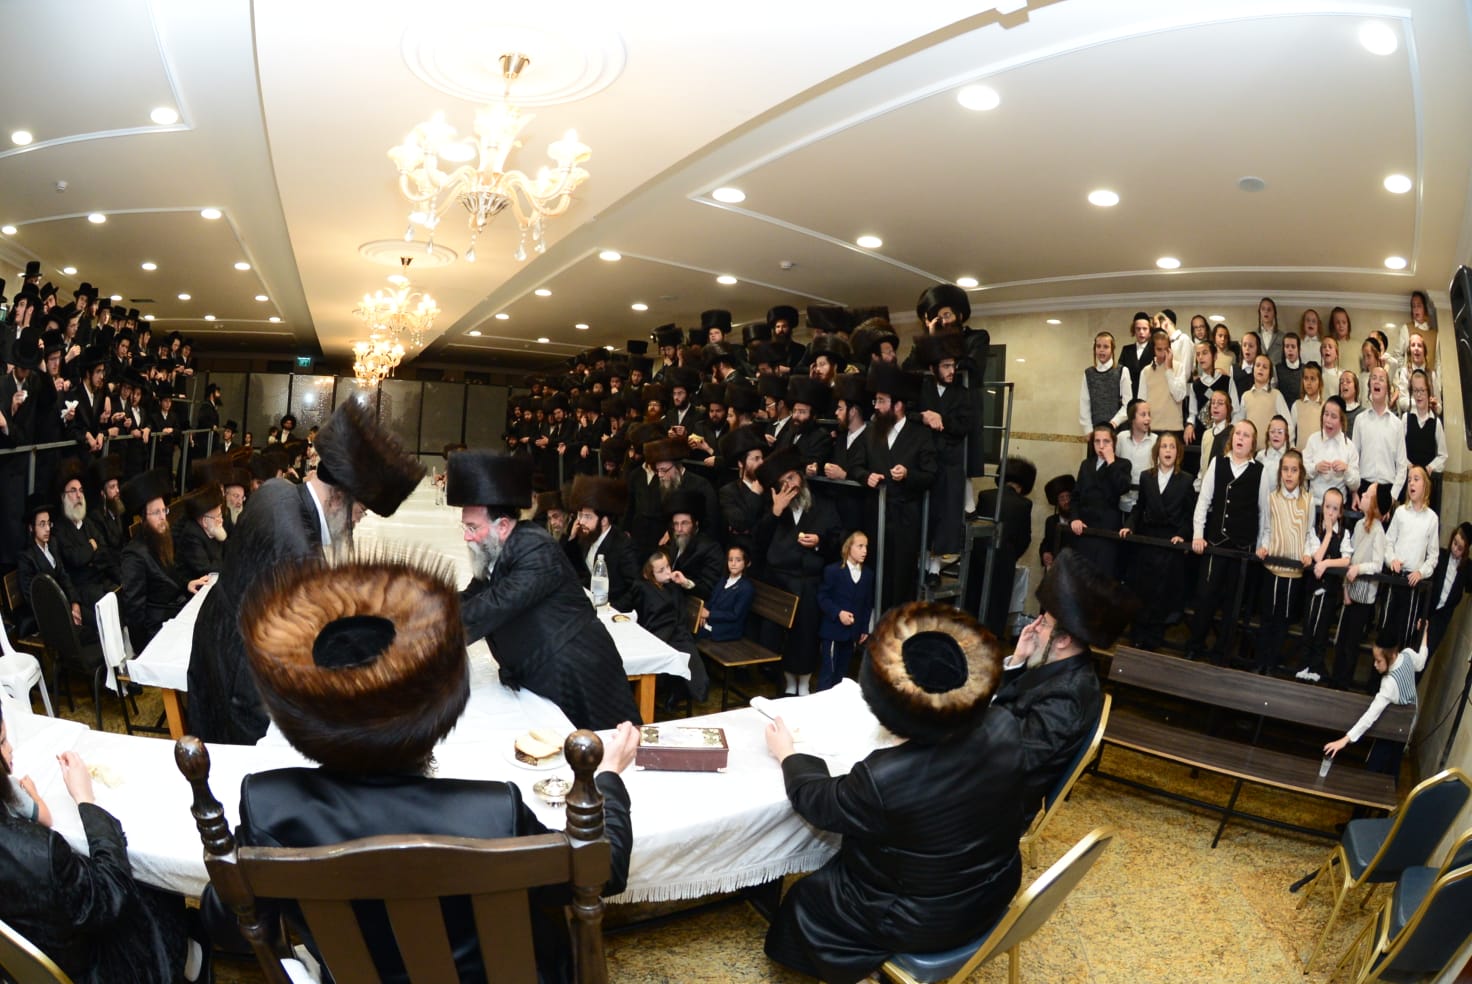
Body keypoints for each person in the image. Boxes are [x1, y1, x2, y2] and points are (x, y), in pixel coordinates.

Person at [202, 547, 639, 983]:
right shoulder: (492, 813)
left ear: (304, 715)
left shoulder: (270, 805)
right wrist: (607, 777)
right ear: (437, 712)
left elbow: (226, 921)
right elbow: (603, 870)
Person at [763, 601, 1022, 984]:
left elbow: (820, 803)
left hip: (922, 921)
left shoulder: (885, 777)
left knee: (807, 898)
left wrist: (789, 754)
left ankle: (858, 970)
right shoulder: (1004, 726)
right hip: (992, 894)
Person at [188, 399, 425, 745]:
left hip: (216, 640)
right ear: (339, 496)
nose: (358, 521)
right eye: (361, 510)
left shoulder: (278, 491)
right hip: (242, 684)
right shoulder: (299, 552)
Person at [0, 703, 193, 983]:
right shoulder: (42, 852)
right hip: (99, 969)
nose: (10, 749)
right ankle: (187, 959)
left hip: (27, 965)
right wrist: (86, 800)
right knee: (157, 886)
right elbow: (112, 892)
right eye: (3, 742)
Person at [450, 452, 643, 729]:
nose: (466, 536)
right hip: (542, 673)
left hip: (577, 673)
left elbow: (493, 606)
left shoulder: (536, 550)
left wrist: (425, 634)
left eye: (472, 527)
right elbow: (471, 596)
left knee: (610, 745)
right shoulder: (499, 549)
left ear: (502, 526)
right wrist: (423, 609)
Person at [995, 548, 1137, 827]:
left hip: (992, 808)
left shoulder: (1069, 695)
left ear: (1063, 640)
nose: (1033, 627)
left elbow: (1015, 759)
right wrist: (1018, 660)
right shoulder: (1060, 668)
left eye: (1044, 623)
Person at [755, 449, 842, 696]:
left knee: (806, 634)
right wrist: (776, 511)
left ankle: (803, 683)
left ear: (801, 476)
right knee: (779, 637)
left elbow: (838, 539)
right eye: (784, 482)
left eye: (792, 477)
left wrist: (819, 542)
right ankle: (786, 683)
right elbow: (758, 544)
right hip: (779, 581)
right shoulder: (771, 506)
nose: (791, 485)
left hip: (809, 581)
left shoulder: (823, 504)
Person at [1186, 420, 1271, 665]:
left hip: (1242, 549)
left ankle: (1221, 653)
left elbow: (1264, 513)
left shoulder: (1260, 471)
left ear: (1253, 443)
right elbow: (1203, 501)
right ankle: (1195, 646)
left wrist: (1262, 544)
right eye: (1237, 434)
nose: (1240, 438)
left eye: (1246, 435)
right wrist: (1198, 534)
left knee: (1233, 604)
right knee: (1205, 597)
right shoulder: (1217, 464)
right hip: (1215, 543)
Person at [856, 362, 936, 610]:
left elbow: (930, 475)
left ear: (898, 405)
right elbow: (856, 466)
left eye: (881, 401)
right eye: (876, 401)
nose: (876, 406)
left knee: (900, 579)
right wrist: (865, 476)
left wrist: (908, 475)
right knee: (874, 576)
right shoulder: (871, 432)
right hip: (875, 516)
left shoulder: (920, 434)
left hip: (905, 520)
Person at [1323, 622, 1428, 777]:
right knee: (1393, 766)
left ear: (1391, 655)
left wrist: (1345, 740)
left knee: (1376, 767)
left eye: (1378, 661)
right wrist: (1425, 632)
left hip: (1393, 728)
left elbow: (1370, 715)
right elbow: (1421, 661)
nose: (1375, 664)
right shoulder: (1408, 654)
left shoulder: (1389, 683)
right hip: (1408, 723)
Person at [1120, 432, 1193, 650]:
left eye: (1172, 447)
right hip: (1147, 542)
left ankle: (1153, 640)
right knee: (1141, 590)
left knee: (1162, 594)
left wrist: (1182, 534)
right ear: (1157, 452)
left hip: (1169, 544)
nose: (1168, 450)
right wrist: (1129, 525)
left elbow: (1189, 515)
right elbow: (1139, 507)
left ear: (1178, 453)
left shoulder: (1186, 480)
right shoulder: (1146, 477)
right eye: (1164, 446)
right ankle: (1136, 637)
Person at [1253, 449, 1312, 674]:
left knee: (1282, 620)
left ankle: (1272, 664)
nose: (1289, 474)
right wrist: (1264, 546)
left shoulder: (1308, 500)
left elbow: (1308, 533)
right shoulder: (1272, 498)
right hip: (1272, 567)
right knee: (1267, 617)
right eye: (1285, 469)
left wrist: (1307, 553)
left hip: (1293, 571)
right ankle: (1261, 661)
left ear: (1301, 473)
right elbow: (1267, 529)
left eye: (1294, 470)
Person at [628, 551, 709, 705]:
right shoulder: (642, 587)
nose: (667, 572)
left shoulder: (674, 585)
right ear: (650, 574)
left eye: (668, 567)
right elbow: (632, 606)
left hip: (678, 634)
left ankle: (678, 690)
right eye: (661, 570)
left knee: (696, 676)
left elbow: (703, 591)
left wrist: (684, 582)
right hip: (655, 633)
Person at [970, 456, 1036, 640]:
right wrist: (1010, 555)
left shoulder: (985, 495)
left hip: (977, 557)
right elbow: (1025, 538)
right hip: (1004, 561)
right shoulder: (1024, 504)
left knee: (973, 601)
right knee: (996, 608)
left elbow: (975, 527)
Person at [1296, 488, 1354, 684]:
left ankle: (1316, 667)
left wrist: (1328, 564)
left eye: (1335, 509)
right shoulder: (1316, 530)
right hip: (1312, 589)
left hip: (1329, 592)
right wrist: (1328, 534)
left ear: (1340, 512)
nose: (1330, 512)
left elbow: (1346, 560)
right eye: (1328, 507)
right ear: (1322, 507)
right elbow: (1317, 556)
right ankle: (1303, 665)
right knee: (1309, 627)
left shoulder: (1345, 534)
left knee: (1322, 630)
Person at [1333, 488, 1388, 690]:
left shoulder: (1378, 532)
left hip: (1364, 598)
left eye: (1366, 496)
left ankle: (1343, 684)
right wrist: (1346, 589)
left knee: (1351, 644)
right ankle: (1334, 680)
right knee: (1341, 641)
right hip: (1350, 591)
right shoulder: (1358, 525)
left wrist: (1359, 569)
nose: (1362, 496)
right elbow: (1351, 556)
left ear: (1374, 505)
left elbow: (1377, 565)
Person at [1380, 465, 1439, 646]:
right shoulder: (1400, 512)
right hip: (1395, 577)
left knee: (1405, 633)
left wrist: (1421, 572)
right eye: (1409, 480)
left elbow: (1433, 555)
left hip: (1413, 583)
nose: (1411, 483)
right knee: (1386, 628)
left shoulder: (1432, 518)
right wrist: (1391, 560)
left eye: (1416, 479)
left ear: (1425, 486)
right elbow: (1388, 542)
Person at [567, 473, 642, 613]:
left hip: (615, 612)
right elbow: (578, 570)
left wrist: (613, 608)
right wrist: (570, 537)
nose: (581, 521)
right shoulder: (587, 537)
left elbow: (637, 587)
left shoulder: (623, 545)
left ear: (604, 521)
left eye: (588, 517)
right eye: (580, 515)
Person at [1069, 423, 1131, 576]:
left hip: (1107, 531)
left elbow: (1122, 487)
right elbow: (1076, 496)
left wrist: (1111, 463)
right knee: (1082, 577)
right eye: (1097, 441)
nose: (1101, 446)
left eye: (1106, 441)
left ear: (1114, 443)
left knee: (1103, 578)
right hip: (1084, 528)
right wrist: (1074, 518)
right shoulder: (1086, 464)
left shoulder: (1122, 464)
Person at [816, 531, 875, 692]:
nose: (865, 551)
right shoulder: (833, 571)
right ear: (849, 548)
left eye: (866, 547)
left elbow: (867, 604)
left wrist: (864, 628)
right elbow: (822, 597)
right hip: (833, 631)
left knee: (842, 674)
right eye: (860, 546)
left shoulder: (868, 574)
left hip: (852, 633)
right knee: (828, 672)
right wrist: (838, 613)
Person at [663, 490, 724, 599]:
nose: (679, 529)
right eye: (676, 524)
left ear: (696, 524)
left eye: (684, 523)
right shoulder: (677, 540)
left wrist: (685, 582)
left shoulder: (711, 549)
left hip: (690, 602)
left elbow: (708, 589)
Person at [698, 545, 755, 642]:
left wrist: (709, 614)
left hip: (726, 629)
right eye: (730, 560)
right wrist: (704, 613)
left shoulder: (746, 588)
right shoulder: (723, 580)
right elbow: (712, 600)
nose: (733, 564)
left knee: (693, 636)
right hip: (711, 622)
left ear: (746, 563)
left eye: (738, 560)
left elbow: (735, 615)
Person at [172, 484, 227, 583]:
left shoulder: (212, 526)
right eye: (218, 516)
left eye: (221, 515)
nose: (221, 520)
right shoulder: (191, 536)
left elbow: (226, 548)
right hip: (193, 587)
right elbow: (207, 570)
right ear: (205, 521)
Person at [1078, 330, 1129, 434]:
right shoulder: (1088, 373)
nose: (1101, 350)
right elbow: (1084, 404)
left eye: (1106, 347)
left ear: (1112, 349)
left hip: (1116, 430)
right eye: (1098, 346)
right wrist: (1088, 430)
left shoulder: (1122, 371)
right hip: (1094, 431)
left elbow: (1127, 404)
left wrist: (1114, 423)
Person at [1039, 474, 1076, 571]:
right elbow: (1046, 543)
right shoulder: (1051, 521)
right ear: (1057, 502)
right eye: (1062, 498)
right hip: (1055, 568)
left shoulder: (1079, 521)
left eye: (1068, 497)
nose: (1066, 501)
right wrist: (1044, 553)